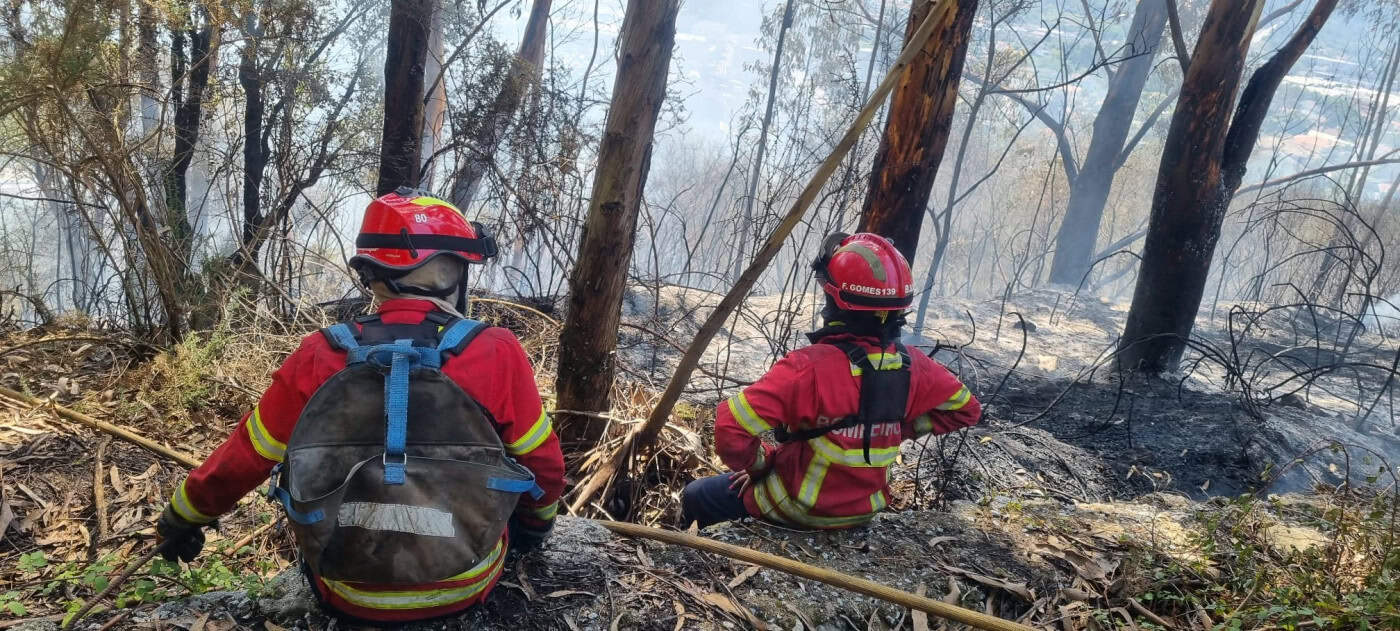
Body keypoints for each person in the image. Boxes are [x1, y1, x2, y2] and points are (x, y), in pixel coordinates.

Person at [156, 190, 565, 624]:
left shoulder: (320, 353)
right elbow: (543, 465)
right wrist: (535, 529)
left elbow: (246, 457)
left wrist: (181, 516)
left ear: (371, 274)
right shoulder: (496, 351)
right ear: (449, 271)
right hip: (464, 584)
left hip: (347, 590)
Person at [680, 232, 980, 530]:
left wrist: (761, 465)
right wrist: (891, 430)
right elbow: (967, 410)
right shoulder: (916, 366)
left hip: (795, 507)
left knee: (695, 496)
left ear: (835, 300)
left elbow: (730, 426)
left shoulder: (808, 367)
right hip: (865, 511)